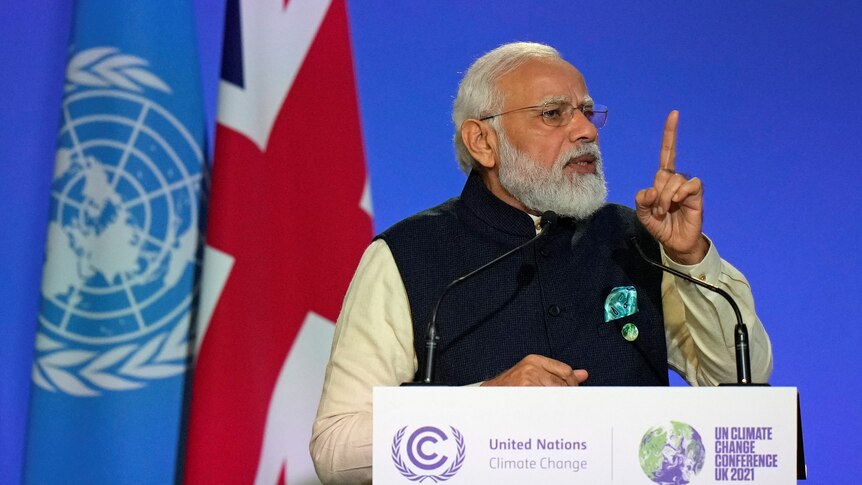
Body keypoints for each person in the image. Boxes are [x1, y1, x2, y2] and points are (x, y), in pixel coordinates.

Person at [309, 41, 772, 484]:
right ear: (483, 142)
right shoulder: (408, 254)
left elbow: (735, 383)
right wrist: (486, 403)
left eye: (587, 113)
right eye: (554, 114)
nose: (586, 131)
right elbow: (336, 450)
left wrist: (689, 257)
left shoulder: (634, 238)